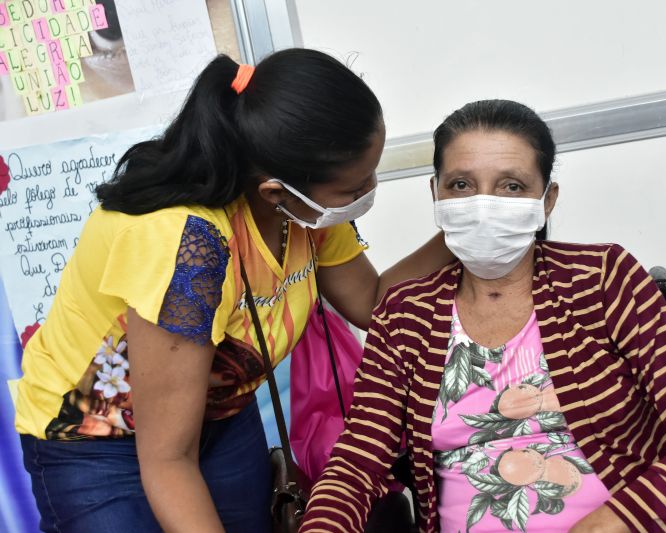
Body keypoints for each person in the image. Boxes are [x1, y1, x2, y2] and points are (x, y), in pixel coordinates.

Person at [14, 49, 454, 533]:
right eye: (353, 189)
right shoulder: (188, 248)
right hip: (97, 437)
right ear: (274, 190)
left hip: (218, 419)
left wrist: (462, 228)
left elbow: (373, 304)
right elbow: (168, 460)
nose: (368, 191)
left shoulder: (304, 211)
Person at [300, 100, 666, 533]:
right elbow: (357, 463)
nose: (483, 204)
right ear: (435, 194)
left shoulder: (603, 280)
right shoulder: (404, 314)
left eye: (511, 185)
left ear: (547, 199)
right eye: (461, 184)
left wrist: (616, 520)